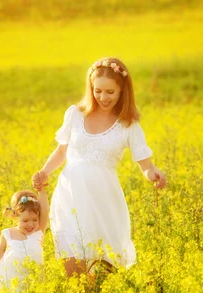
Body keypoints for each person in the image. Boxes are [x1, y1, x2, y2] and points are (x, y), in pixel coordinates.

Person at [32, 57, 166, 276]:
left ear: (123, 91)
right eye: (98, 91)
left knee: (103, 268)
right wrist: (44, 171)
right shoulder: (75, 114)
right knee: (73, 268)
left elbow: (145, 164)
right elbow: (61, 151)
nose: (103, 97)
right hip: (70, 196)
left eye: (110, 92)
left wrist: (154, 174)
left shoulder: (128, 124)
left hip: (103, 200)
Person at [0, 186, 49, 293]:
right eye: (25, 220)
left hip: (34, 287)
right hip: (9, 287)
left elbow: (45, 209)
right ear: (14, 217)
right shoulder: (7, 234)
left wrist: (41, 189)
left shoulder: (38, 233)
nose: (31, 224)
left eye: (35, 219)